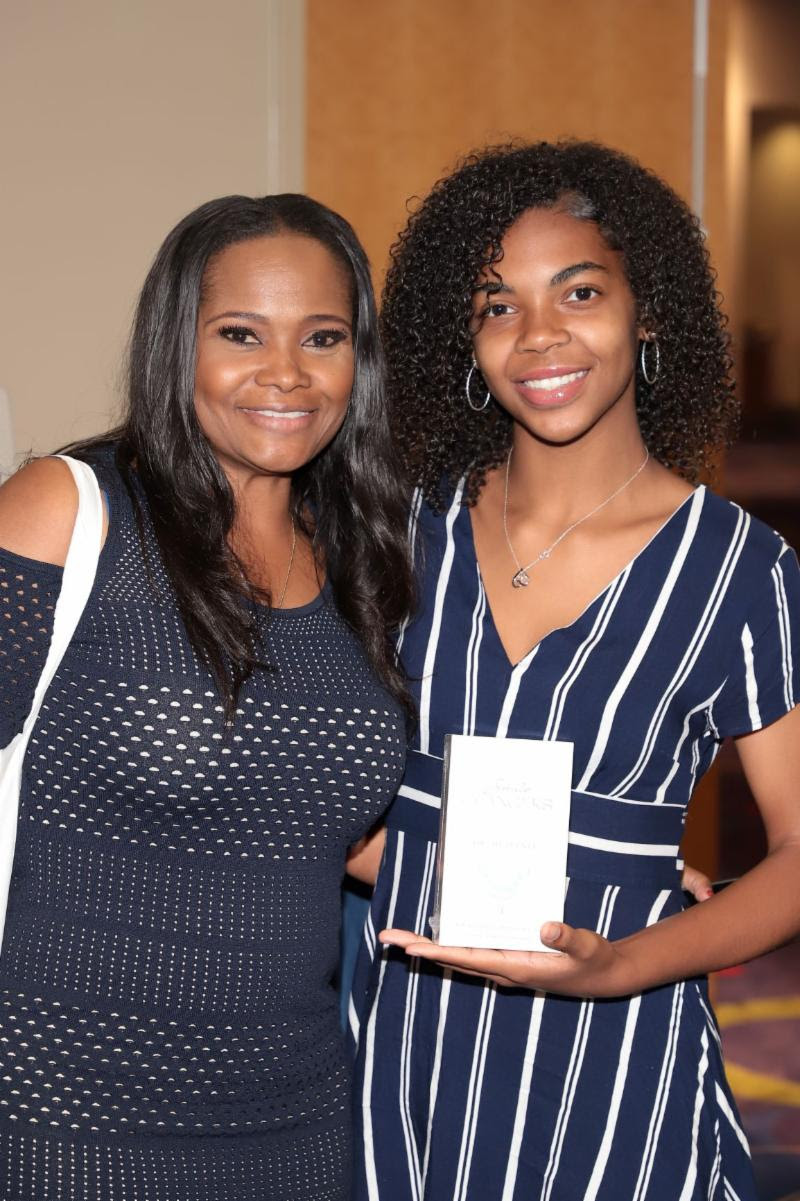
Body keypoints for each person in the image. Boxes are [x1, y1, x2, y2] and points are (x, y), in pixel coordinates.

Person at [346, 142, 800, 1200]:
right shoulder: (402, 531)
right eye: (497, 306)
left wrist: (625, 955)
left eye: (579, 292)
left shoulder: (738, 570)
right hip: (405, 1043)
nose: (539, 334)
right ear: (463, 339)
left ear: (649, 314)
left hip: (615, 1058)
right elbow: (329, 787)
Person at [0, 194, 415, 1201]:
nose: (286, 373)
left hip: (301, 1118)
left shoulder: (368, 553)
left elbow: (337, 829)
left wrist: (596, 873)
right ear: (175, 343)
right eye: (240, 334)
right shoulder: (72, 510)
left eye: (322, 337)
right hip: (64, 1117)